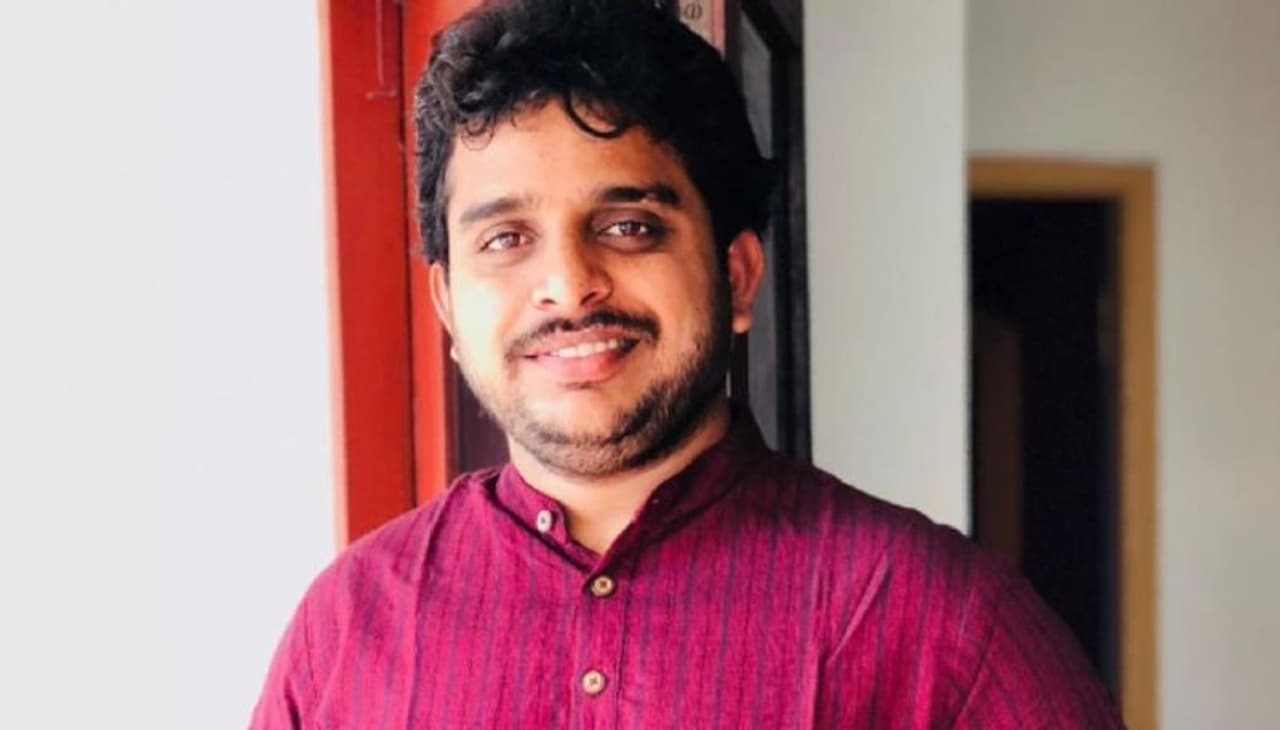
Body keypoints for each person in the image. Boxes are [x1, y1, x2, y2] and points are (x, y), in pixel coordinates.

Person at [251, 0, 1124, 727]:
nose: (569, 284)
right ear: (448, 306)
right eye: (507, 239)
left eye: (628, 226)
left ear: (735, 275)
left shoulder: (942, 624)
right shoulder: (347, 631)